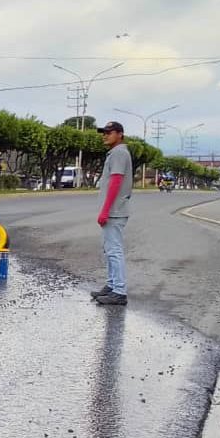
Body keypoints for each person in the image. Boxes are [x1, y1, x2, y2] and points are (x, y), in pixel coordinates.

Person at [91, 121, 134, 305]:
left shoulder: (119, 153)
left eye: (109, 132)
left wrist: (105, 211)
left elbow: (116, 181)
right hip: (113, 210)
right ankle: (112, 285)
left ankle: (119, 291)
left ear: (120, 134)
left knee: (114, 250)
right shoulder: (117, 152)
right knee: (109, 250)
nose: (105, 135)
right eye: (104, 132)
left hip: (114, 211)